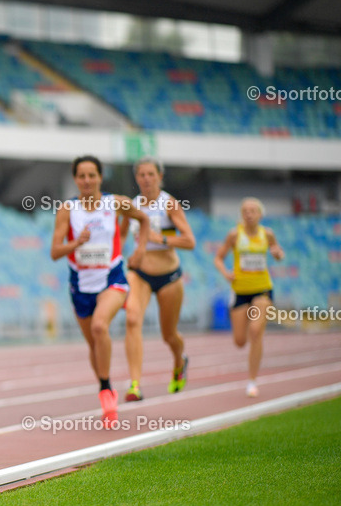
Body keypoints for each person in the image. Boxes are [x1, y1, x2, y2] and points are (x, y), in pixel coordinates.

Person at [50, 155, 149, 428]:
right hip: (81, 285)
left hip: (112, 279)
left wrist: (138, 249)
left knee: (98, 327)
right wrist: (76, 243)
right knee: (95, 344)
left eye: (91, 175)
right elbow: (55, 252)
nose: (87, 180)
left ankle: (107, 394)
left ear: (100, 177)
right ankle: (105, 385)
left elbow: (142, 218)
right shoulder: (67, 209)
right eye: (81, 176)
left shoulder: (114, 202)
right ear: (75, 179)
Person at [120, 158, 196, 401]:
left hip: (169, 277)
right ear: (136, 178)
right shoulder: (131, 206)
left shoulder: (169, 204)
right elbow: (119, 238)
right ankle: (134, 385)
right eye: (141, 174)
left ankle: (179, 360)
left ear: (160, 176)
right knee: (132, 319)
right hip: (139, 274)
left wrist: (159, 239)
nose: (146, 179)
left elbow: (189, 241)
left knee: (168, 335)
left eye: (151, 174)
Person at [213, 198, 285, 397]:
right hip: (240, 291)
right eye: (245, 211)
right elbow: (218, 257)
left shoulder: (267, 234)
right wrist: (226, 273)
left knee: (255, 331)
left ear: (260, 215)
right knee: (240, 340)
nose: (249, 214)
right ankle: (250, 335)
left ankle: (252, 382)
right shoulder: (235, 235)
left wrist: (278, 253)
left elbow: (277, 252)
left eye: (253, 211)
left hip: (262, 289)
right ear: (241, 214)